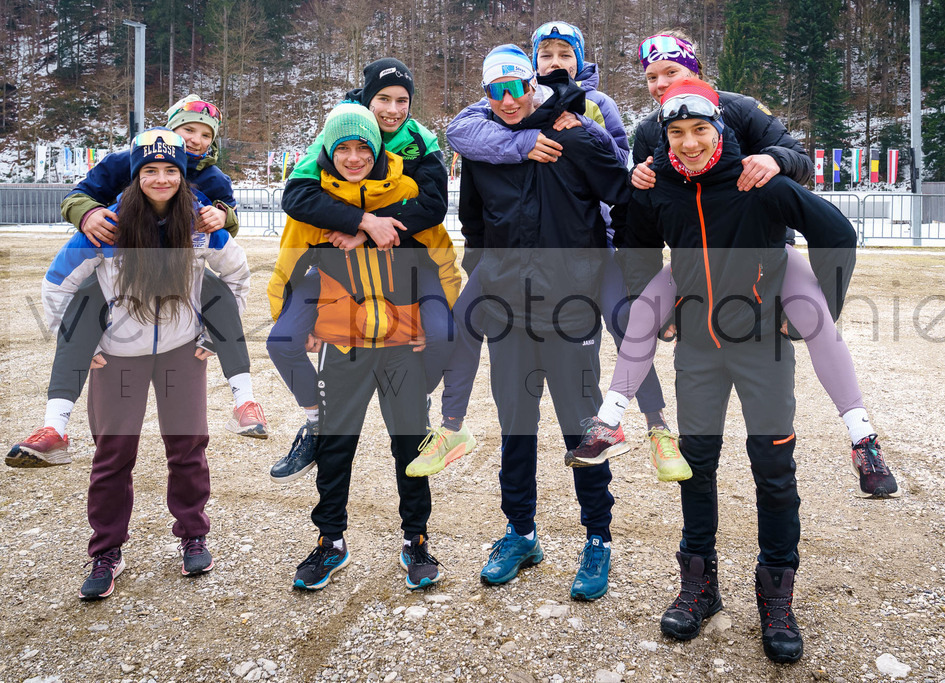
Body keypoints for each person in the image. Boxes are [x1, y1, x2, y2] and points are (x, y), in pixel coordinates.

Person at [574, 31, 898, 497]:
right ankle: (609, 422)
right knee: (642, 313)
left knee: (816, 319)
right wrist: (636, 178)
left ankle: (862, 438)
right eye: (651, 77)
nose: (661, 84)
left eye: (672, 72)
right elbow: (645, 214)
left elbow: (800, 161)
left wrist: (773, 158)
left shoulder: (740, 108)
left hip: (763, 252)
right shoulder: (650, 129)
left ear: (697, 71)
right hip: (696, 260)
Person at [620, 79, 859, 662]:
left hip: (762, 350)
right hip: (698, 350)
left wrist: (811, 312)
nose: (690, 142)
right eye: (677, 133)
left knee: (773, 469)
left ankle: (777, 596)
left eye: (700, 129)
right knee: (696, 466)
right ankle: (699, 587)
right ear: (665, 139)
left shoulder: (757, 182)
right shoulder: (661, 187)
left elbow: (836, 232)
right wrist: (659, 312)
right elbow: (633, 243)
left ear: (720, 129)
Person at [411, 21, 681, 480]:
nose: (556, 62)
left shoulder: (596, 105)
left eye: (565, 53)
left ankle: (657, 426)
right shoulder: (502, 107)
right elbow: (461, 132)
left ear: (579, 59)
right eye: (547, 54)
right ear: (534, 63)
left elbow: (617, 172)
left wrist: (578, 129)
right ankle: (448, 424)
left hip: (597, 241)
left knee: (624, 322)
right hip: (522, 253)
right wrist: (523, 142)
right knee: (462, 322)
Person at [39, 129, 250, 599]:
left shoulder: (198, 223)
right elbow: (58, 283)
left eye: (170, 170)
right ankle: (106, 551)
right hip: (118, 355)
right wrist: (80, 343)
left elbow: (235, 275)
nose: (160, 178)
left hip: (179, 350)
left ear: (182, 175)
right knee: (113, 455)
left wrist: (213, 336)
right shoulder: (109, 224)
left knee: (188, 447)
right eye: (150, 170)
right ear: (135, 176)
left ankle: (193, 535)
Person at [7, 95, 267, 469]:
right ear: (167, 132)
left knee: (218, 291)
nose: (195, 140)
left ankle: (244, 399)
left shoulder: (212, 177)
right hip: (125, 265)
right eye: (187, 129)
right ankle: (54, 427)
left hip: (181, 267)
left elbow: (232, 220)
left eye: (205, 134)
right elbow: (75, 197)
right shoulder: (122, 162)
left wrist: (221, 215)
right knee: (80, 309)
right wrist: (88, 215)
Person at [457, 45, 631, 601]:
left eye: (516, 86)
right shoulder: (485, 151)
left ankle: (598, 539)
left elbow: (622, 194)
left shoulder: (574, 134)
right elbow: (474, 223)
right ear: (486, 95)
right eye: (495, 91)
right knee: (515, 426)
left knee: (583, 429)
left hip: (569, 310)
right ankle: (521, 532)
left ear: (532, 84)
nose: (508, 100)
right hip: (509, 312)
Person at [267, 58, 456, 484]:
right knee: (281, 342)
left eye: (402, 100)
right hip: (336, 262)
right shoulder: (340, 129)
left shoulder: (420, 140)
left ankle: (418, 401)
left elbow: (433, 206)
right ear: (366, 98)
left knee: (444, 333)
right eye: (383, 99)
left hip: (403, 258)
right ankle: (316, 424)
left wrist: (370, 229)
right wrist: (360, 222)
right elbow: (297, 197)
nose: (392, 110)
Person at [281, 105, 443, 591]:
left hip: (400, 345)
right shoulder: (315, 196)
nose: (354, 157)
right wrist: (300, 318)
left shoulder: (407, 189)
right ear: (328, 152)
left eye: (363, 148)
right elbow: (298, 259)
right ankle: (331, 541)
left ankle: (416, 539)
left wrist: (428, 327)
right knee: (336, 446)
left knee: (409, 445)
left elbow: (427, 258)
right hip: (343, 342)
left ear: (378, 150)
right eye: (344, 148)